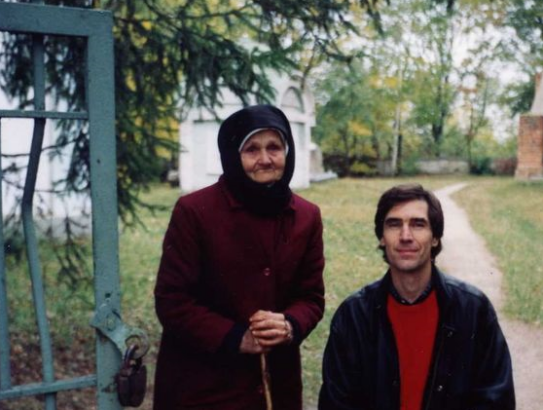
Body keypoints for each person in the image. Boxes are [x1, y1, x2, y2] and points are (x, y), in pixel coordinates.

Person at [154, 105, 325, 410]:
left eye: (274, 147)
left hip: (276, 383)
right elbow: (172, 300)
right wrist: (236, 337)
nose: (265, 159)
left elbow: (311, 297)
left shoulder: (306, 216)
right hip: (205, 384)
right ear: (233, 155)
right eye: (252, 149)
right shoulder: (195, 211)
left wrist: (289, 325)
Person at [319, 184, 515, 410]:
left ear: (435, 237)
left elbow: (496, 399)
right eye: (394, 224)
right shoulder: (354, 316)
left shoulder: (473, 310)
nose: (405, 236)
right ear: (382, 237)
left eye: (418, 224)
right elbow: (336, 403)